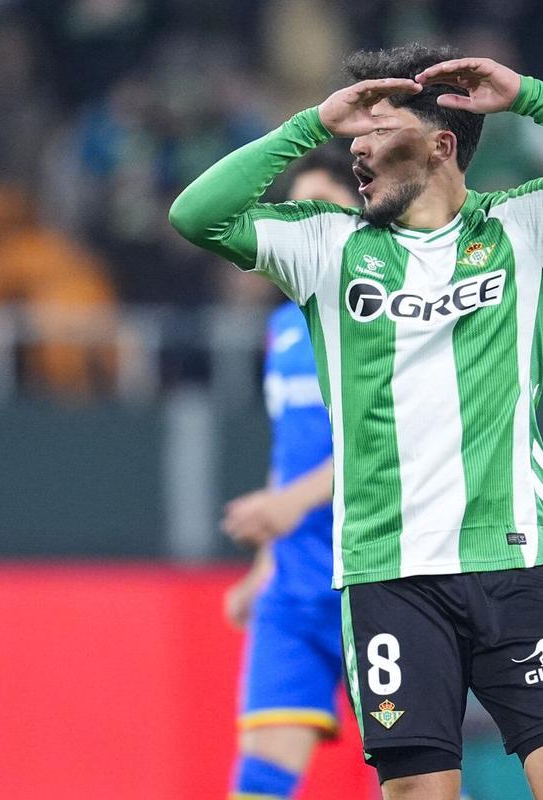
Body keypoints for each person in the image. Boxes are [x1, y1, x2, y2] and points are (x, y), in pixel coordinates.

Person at [171, 43, 543, 800]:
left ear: (442, 143)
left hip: (514, 570)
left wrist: (531, 95)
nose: (358, 149)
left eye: (379, 131)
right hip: (389, 578)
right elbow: (195, 214)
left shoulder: (525, 226)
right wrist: (311, 124)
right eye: (355, 136)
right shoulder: (327, 246)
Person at [219, 146, 368, 800]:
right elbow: (295, 449)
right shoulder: (281, 327)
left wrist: (293, 503)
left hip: (382, 575)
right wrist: (263, 565)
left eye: (327, 211)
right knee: (259, 780)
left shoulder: (390, 313)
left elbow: (398, 439)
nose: (313, 229)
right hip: (296, 582)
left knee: (417, 780)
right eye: (298, 215)